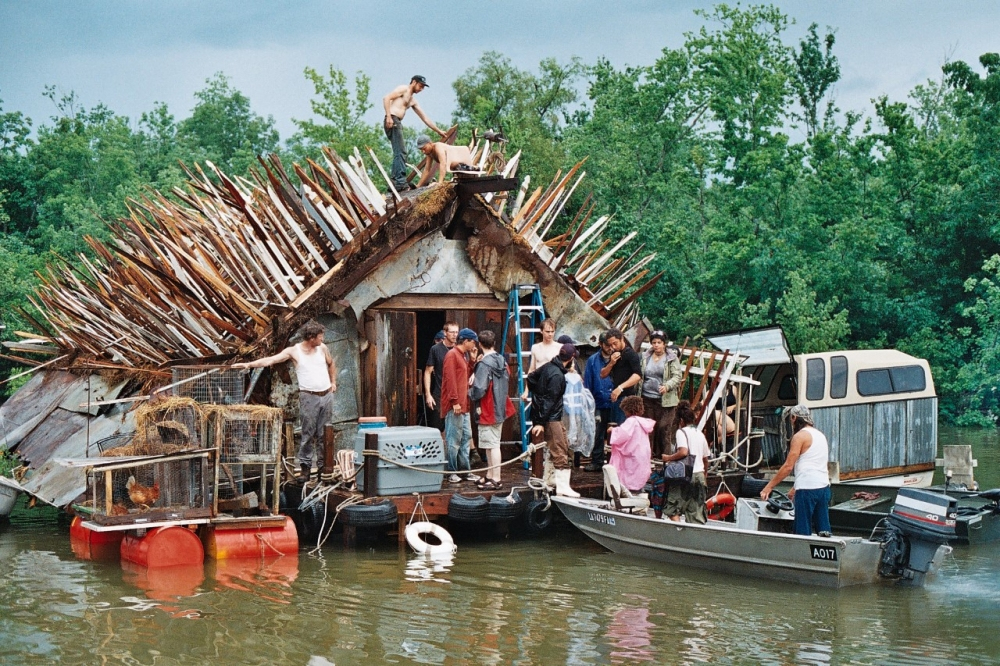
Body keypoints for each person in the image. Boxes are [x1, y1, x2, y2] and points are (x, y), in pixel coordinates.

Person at [234, 320, 336, 480]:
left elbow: (331, 364)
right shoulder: (294, 351)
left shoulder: (322, 348)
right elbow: (271, 360)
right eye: (320, 337)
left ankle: (324, 468)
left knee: (325, 433)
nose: (322, 339)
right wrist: (249, 364)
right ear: (311, 337)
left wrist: (333, 382)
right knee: (308, 433)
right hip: (309, 396)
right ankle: (305, 469)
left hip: (326, 395)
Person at [760, 404, 832, 537]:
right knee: (824, 530)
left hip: (807, 489)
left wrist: (768, 487)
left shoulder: (799, 437)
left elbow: (788, 466)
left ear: (794, 418)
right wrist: (794, 488)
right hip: (823, 487)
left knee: (802, 530)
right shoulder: (820, 435)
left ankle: (800, 555)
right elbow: (813, 465)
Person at [527, 342, 579, 497]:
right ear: (571, 358)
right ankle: (563, 487)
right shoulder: (557, 376)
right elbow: (550, 401)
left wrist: (538, 396)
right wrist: (541, 423)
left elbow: (531, 377)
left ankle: (551, 479)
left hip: (545, 414)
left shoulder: (549, 366)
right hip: (551, 418)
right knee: (561, 450)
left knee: (558, 447)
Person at [649, 400, 711, 523]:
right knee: (696, 513)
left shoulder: (681, 432)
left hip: (685, 476)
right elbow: (705, 459)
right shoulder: (700, 433)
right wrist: (705, 475)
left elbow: (683, 451)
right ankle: (692, 539)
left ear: (681, 421)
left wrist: (668, 458)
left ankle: (678, 531)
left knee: (671, 508)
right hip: (699, 475)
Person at [382, 75, 447, 192]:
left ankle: (395, 181)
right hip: (392, 120)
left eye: (423, 87)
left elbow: (425, 118)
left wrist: (439, 131)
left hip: (396, 122)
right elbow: (386, 98)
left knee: (399, 151)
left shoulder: (412, 100)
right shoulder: (403, 89)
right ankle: (400, 182)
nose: (421, 89)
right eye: (420, 86)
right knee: (401, 152)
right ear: (413, 82)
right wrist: (388, 116)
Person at [469, 330, 510, 490]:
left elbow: (479, 389)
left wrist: (469, 391)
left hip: (487, 408)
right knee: (491, 443)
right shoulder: (502, 360)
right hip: (500, 406)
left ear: (480, 344)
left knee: (492, 445)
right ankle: (490, 475)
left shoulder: (484, 364)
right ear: (494, 343)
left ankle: (496, 478)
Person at [440, 328, 482, 484]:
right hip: (456, 406)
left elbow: (462, 376)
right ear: (466, 341)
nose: (475, 344)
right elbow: (450, 379)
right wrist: (454, 401)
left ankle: (465, 471)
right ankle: (451, 472)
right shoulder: (452, 355)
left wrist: (471, 361)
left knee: (465, 438)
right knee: (453, 439)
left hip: (463, 406)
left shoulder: (462, 355)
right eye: (473, 341)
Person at [640, 331, 684, 459]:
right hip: (647, 398)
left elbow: (677, 376)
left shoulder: (671, 358)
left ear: (664, 344)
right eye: (654, 343)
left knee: (663, 428)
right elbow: (641, 374)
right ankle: (648, 458)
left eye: (659, 343)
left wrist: (667, 386)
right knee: (649, 429)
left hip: (665, 400)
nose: (656, 345)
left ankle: (665, 459)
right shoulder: (645, 356)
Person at [583, 331, 621, 472]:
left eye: (612, 344)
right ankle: (597, 461)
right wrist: (588, 403)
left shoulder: (618, 358)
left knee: (616, 433)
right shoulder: (592, 360)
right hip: (598, 402)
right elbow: (588, 383)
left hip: (615, 402)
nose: (610, 347)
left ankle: (614, 462)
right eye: (606, 344)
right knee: (597, 433)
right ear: (600, 344)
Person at [607, 396, 654, 493]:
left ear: (628, 410)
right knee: (639, 477)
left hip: (633, 456)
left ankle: (629, 497)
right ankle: (640, 493)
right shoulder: (642, 422)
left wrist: (613, 430)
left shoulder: (631, 421)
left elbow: (623, 433)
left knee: (630, 478)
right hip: (643, 455)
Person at [423, 323, 457, 431]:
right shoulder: (436, 349)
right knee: (437, 428)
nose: (455, 335)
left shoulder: (460, 349)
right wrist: (428, 395)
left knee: (456, 430)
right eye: (452, 332)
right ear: (445, 333)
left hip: (456, 395)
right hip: (440, 394)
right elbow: (428, 372)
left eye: (457, 332)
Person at [601, 328, 642, 414]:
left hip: (627, 397)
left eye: (615, 343)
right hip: (614, 397)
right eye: (610, 345)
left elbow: (637, 375)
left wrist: (620, 388)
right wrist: (611, 363)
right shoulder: (613, 353)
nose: (613, 347)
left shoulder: (631, 354)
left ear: (622, 339)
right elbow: (602, 375)